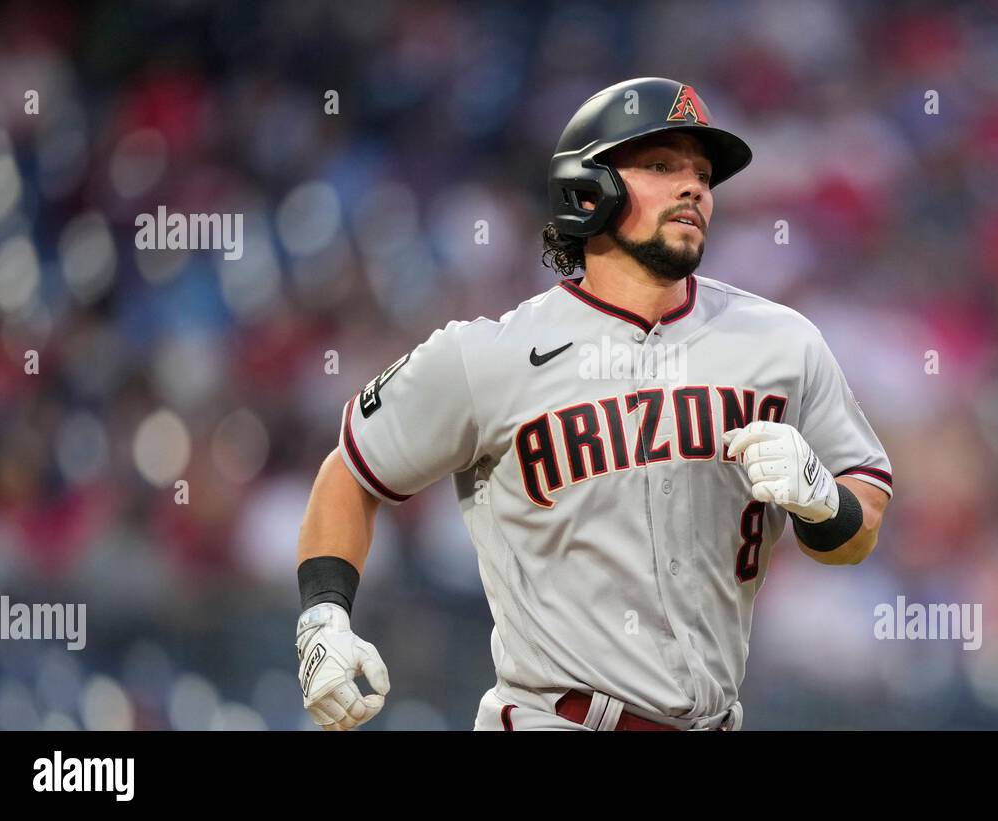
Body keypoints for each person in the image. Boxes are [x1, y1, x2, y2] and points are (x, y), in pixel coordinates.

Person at [294, 77, 893, 731]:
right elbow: (352, 470)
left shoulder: (783, 343)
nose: (694, 186)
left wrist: (827, 505)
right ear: (588, 188)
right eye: (663, 165)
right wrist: (324, 616)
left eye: (702, 172)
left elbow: (860, 525)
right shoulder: (490, 355)